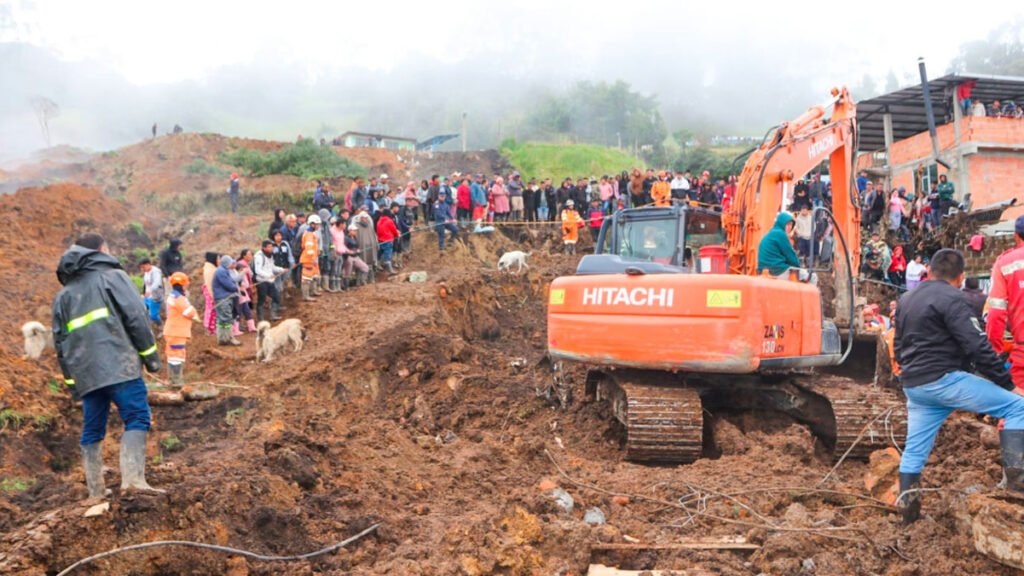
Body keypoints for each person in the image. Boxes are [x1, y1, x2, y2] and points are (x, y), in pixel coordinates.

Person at [893, 248, 1024, 525]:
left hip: (916, 386)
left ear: (929, 272)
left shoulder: (906, 298)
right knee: (1018, 407)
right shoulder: (954, 298)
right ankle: (1018, 488)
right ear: (961, 277)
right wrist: (1007, 383)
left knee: (914, 451)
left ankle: (908, 520)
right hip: (945, 380)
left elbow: (898, 345)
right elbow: (976, 344)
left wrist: (909, 374)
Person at [52, 233, 163, 498]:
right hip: (120, 365)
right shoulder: (112, 277)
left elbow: (60, 345)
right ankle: (133, 482)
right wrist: (151, 357)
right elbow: (136, 317)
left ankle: (96, 492)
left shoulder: (63, 297)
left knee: (92, 429)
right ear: (102, 249)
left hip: (87, 376)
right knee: (137, 417)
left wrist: (72, 384)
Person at [987, 216, 1024, 389]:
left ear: (1016, 236)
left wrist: (995, 349)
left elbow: (996, 312)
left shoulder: (1005, 263)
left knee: (1017, 408)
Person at [164, 271, 198, 386]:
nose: (187, 286)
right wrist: (195, 315)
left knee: (173, 355)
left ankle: (173, 380)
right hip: (176, 332)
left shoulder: (173, 296)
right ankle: (176, 381)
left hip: (174, 331)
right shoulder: (178, 298)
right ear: (182, 284)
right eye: (185, 284)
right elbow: (188, 311)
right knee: (176, 356)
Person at [757, 212, 800, 277]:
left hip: (764, 270)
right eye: (788, 224)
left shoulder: (772, 233)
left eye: (791, 225)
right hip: (777, 270)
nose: (790, 227)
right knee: (812, 276)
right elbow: (791, 257)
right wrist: (798, 266)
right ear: (782, 224)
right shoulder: (780, 234)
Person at [212, 256, 241, 345]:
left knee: (222, 320)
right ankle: (229, 338)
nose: (232, 264)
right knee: (227, 318)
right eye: (230, 263)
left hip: (222, 298)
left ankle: (222, 339)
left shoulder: (222, 270)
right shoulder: (221, 271)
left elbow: (231, 281)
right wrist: (236, 288)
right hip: (224, 298)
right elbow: (229, 285)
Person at [253, 240, 283, 321]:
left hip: (270, 281)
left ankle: (273, 315)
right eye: (269, 247)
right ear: (264, 248)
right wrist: (268, 275)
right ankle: (261, 318)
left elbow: (272, 267)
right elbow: (257, 270)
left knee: (276, 297)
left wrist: (281, 269)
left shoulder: (270, 255)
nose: (271, 248)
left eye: (271, 247)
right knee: (261, 300)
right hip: (262, 281)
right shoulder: (259, 256)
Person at [299, 214, 322, 301]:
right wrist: (312, 256)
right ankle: (306, 296)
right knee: (307, 278)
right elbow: (308, 248)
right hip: (308, 259)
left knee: (315, 275)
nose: (318, 226)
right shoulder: (309, 235)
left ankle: (313, 291)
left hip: (313, 258)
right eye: (317, 224)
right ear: (312, 224)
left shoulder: (312, 233)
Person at [139, 258, 164, 335]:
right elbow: (146, 284)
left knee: (153, 315)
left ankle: (161, 327)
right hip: (147, 296)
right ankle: (149, 329)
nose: (143, 269)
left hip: (155, 296)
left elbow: (157, 283)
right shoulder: (146, 272)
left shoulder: (156, 272)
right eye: (141, 268)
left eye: (143, 267)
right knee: (144, 311)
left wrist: (150, 291)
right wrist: (144, 293)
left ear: (149, 264)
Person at [235, 249, 256, 333]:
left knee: (247, 311)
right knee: (238, 312)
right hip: (240, 296)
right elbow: (244, 284)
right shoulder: (238, 276)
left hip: (244, 296)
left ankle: (251, 327)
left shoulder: (241, 275)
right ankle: (236, 329)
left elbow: (246, 284)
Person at [376, 205, 399, 274]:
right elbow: (394, 230)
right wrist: (397, 235)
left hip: (380, 240)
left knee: (380, 252)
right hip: (388, 239)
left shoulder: (379, 221)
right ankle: (390, 270)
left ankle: (377, 264)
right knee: (388, 253)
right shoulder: (389, 221)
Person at [201, 252, 218, 336]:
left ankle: (210, 327)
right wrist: (213, 296)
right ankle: (210, 328)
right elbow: (211, 284)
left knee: (210, 309)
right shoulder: (211, 270)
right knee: (212, 310)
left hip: (208, 291)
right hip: (210, 291)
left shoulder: (209, 268)